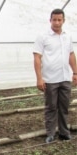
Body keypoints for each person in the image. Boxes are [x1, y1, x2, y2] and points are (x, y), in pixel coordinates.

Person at [33, 8, 77, 143]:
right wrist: (39, 78)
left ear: (63, 20)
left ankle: (64, 132)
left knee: (64, 107)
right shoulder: (43, 37)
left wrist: (75, 72)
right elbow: (37, 57)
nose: (57, 23)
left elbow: (71, 54)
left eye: (59, 20)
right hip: (50, 79)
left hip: (65, 78)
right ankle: (50, 133)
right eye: (54, 20)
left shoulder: (67, 36)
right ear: (50, 20)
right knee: (51, 107)